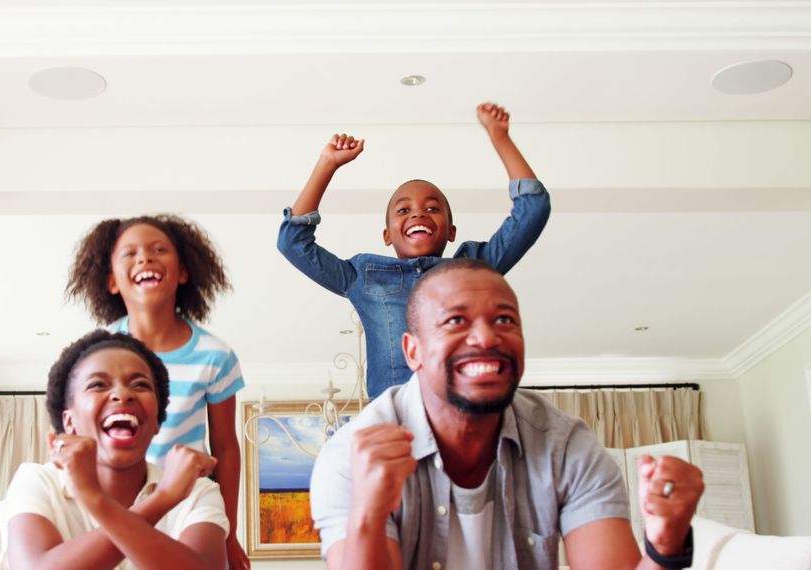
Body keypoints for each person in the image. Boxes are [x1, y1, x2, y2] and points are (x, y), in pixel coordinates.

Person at [310, 259, 704, 570]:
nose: (486, 337)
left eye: (504, 320)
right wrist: (368, 514)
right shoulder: (352, 455)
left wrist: (665, 547)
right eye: (455, 321)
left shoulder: (566, 447)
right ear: (413, 352)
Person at [277, 102, 551, 400]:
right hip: (398, 420)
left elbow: (532, 209)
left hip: (465, 411)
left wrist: (500, 137)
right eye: (403, 210)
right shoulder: (361, 275)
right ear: (387, 235)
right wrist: (327, 164)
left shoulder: (475, 268)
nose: (418, 215)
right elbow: (292, 243)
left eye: (432, 208)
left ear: (451, 231)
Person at [67, 215, 249, 569]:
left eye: (158, 250)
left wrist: (229, 531)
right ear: (111, 281)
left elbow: (226, 446)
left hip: (188, 506)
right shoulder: (97, 353)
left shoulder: (215, 356)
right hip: (115, 500)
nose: (145, 259)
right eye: (129, 253)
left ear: (183, 272)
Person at [0, 330, 228, 570]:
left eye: (140, 384)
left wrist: (93, 498)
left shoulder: (197, 491)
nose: (122, 394)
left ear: (157, 420)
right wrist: (162, 500)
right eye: (97, 385)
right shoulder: (37, 481)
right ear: (69, 422)